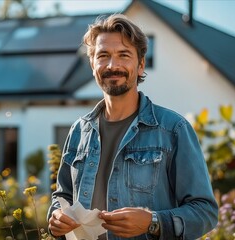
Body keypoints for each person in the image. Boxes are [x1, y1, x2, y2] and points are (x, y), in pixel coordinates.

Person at [47, 13, 218, 240]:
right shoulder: (79, 130)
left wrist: (153, 222)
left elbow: (205, 212)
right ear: (92, 64)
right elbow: (62, 196)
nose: (112, 65)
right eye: (103, 55)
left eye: (123, 55)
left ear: (140, 65)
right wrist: (56, 217)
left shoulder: (173, 130)